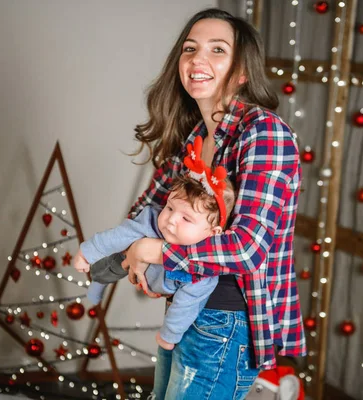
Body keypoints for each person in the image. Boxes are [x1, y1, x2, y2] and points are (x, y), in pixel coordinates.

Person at [116, 8, 306, 400]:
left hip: (228, 321)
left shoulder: (265, 134)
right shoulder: (194, 139)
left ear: (242, 72)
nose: (198, 60)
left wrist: (157, 250)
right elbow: (149, 208)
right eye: (190, 49)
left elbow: (248, 248)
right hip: (185, 307)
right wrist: (125, 248)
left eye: (217, 50)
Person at [73, 141, 236, 351]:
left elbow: (185, 306)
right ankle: (98, 281)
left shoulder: (204, 268)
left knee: (185, 303)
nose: (170, 219)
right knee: (115, 261)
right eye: (169, 207)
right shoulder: (150, 220)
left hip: (163, 286)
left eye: (186, 218)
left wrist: (169, 335)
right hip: (133, 260)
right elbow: (114, 237)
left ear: (213, 233)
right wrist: (86, 253)